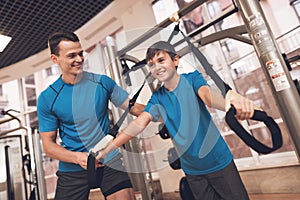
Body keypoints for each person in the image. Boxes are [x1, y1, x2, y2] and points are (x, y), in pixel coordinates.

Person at [96, 41, 254, 200]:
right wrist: (106, 150)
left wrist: (229, 105)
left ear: (176, 60)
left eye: (161, 60)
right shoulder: (158, 98)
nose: (157, 67)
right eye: (151, 64)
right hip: (192, 171)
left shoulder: (192, 79)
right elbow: (138, 123)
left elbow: (208, 97)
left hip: (218, 163)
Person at [37, 31, 144, 200]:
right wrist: (78, 157)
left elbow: (135, 108)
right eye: (72, 55)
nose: (79, 59)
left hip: (109, 161)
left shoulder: (102, 82)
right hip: (72, 169)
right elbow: (48, 146)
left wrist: (165, 106)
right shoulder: (47, 98)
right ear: (55, 59)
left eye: (80, 53)